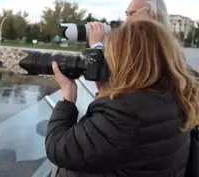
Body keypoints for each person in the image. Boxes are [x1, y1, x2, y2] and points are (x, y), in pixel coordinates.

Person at [46, 19, 199, 177]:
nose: (109, 62)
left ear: (127, 62)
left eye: (111, 57)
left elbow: (58, 147)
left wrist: (67, 95)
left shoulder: (126, 113)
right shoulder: (177, 96)